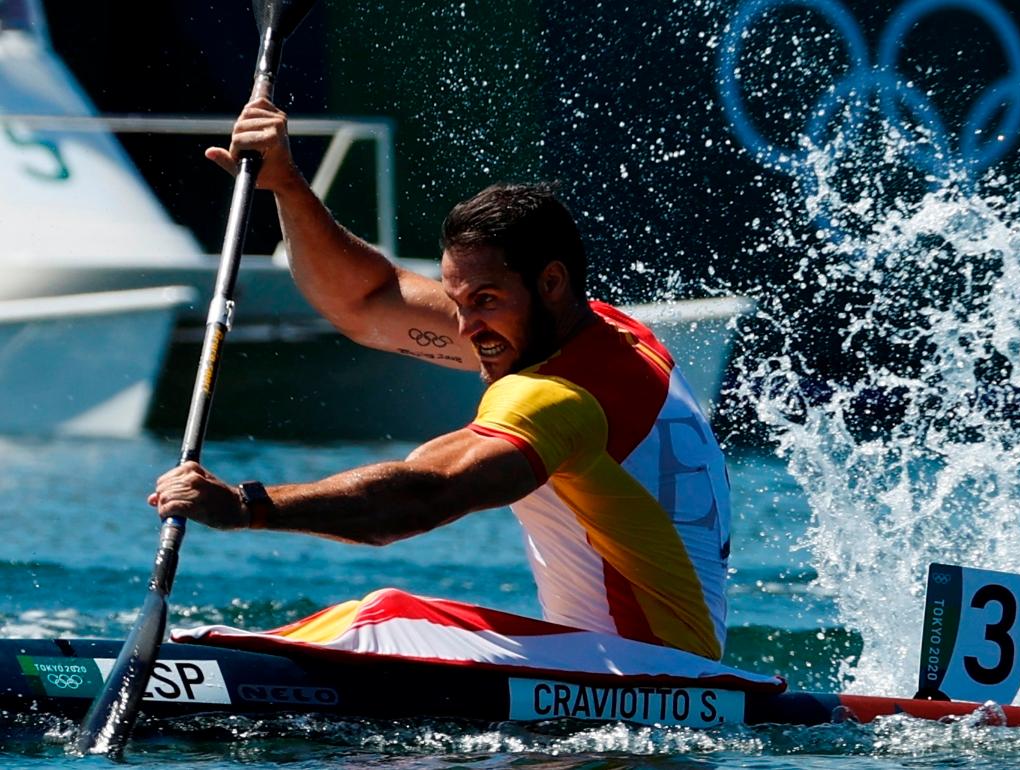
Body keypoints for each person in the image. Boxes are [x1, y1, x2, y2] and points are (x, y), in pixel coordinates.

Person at [150, 97, 733, 661]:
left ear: (552, 282)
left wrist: (244, 505)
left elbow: (424, 495)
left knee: (382, 618)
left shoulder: (555, 398)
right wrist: (287, 185)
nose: (465, 326)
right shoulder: (611, 334)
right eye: (457, 301)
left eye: (484, 300)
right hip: (667, 667)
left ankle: (189, 666)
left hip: (639, 679)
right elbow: (368, 300)